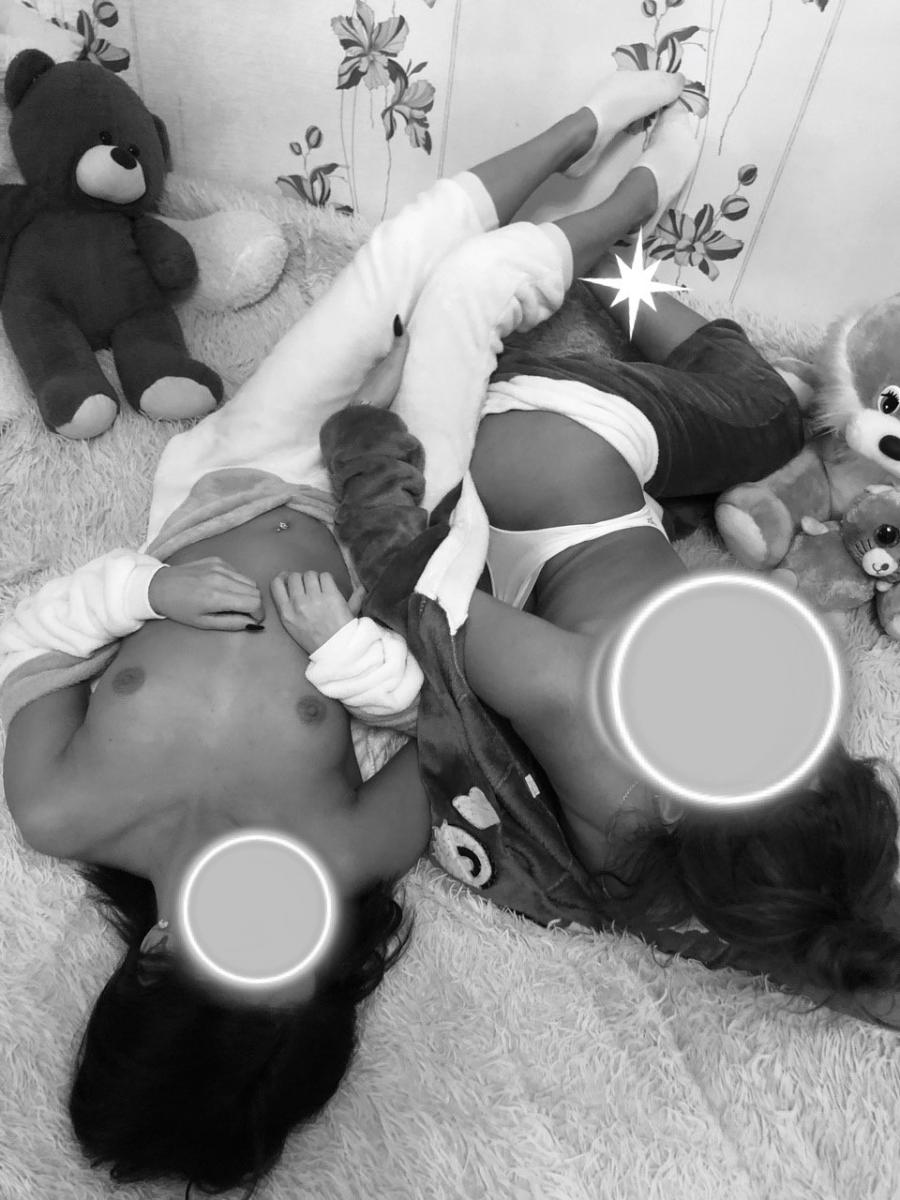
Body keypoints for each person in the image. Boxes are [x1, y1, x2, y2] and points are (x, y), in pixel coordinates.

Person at [1, 68, 896, 1200]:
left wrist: (147, 593)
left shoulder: (57, 806)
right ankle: (621, 224)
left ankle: (584, 131)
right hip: (386, 512)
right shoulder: (348, 856)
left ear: (156, 952)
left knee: (397, 258)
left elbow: (31, 640)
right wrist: (344, 651)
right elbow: (446, 712)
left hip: (219, 483)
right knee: (462, 297)